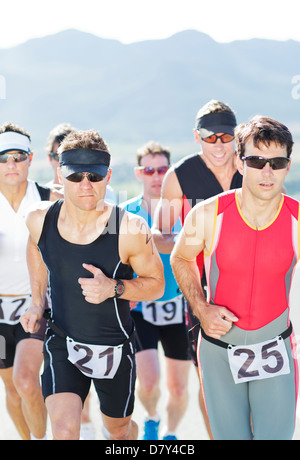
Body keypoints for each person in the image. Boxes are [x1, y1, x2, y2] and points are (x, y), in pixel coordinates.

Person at [20, 129, 164, 440]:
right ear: (60, 174)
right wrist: (36, 301)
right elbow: (35, 247)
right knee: (64, 429)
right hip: (63, 341)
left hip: (113, 347)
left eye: (95, 176)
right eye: (75, 177)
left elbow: (156, 285)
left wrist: (115, 287)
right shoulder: (40, 219)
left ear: (108, 175)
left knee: (120, 431)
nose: (86, 185)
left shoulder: (127, 227)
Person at [170, 115, 298, 440]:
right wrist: (201, 309)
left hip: (275, 348)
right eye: (256, 161)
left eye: (276, 162)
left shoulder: (297, 219)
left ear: (288, 165)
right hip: (217, 349)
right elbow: (181, 258)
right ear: (240, 164)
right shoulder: (208, 214)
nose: (267, 172)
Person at [152, 100, 242, 438]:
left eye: (225, 137)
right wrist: (194, 241)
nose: (218, 145)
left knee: (251, 378)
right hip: (202, 294)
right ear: (196, 137)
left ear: (236, 136)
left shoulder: (252, 167)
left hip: (251, 288)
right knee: (210, 379)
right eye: (209, 138)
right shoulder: (179, 176)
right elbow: (158, 236)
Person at [121, 141, 191, 440]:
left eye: (163, 169)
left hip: (178, 306)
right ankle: (151, 417)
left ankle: (171, 433)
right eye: (149, 169)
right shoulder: (125, 212)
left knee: (178, 388)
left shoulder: (186, 210)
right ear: (139, 172)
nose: (157, 176)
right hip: (141, 308)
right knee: (148, 383)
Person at [0, 122, 62, 440]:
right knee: (11, 390)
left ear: (30, 158)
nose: (11, 164)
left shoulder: (51, 199)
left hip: (37, 306)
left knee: (27, 381)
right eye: (3, 157)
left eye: (18, 156)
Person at [46, 122, 116, 204]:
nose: (62, 162)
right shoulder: (43, 195)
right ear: (49, 158)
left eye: (74, 157)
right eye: (58, 156)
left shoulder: (104, 191)